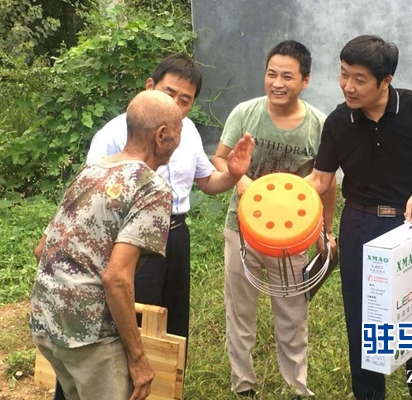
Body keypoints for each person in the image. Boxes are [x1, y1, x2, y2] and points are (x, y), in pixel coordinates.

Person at [305, 35, 412, 400]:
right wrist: (278, 193)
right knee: (362, 314)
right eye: (343, 74)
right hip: (360, 224)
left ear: (385, 81)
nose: (348, 86)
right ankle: (368, 394)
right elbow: (320, 180)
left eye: (359, 79)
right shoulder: (339, 121)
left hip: (411, 222)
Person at [86, 53, 250, 342]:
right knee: (136, 319)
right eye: (168, 93)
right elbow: (92, 194)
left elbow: (207, 181)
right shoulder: (113, 134)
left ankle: (169, 373)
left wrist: (234, 175)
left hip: (175, 234)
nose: (175, 105)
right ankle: (132, 366)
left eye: (184, 100)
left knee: (173, 320)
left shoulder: (190, 133)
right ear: (149, 86)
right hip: (130, 239)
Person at [31, 90, 181, 400]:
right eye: (179, 130)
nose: (180, 139)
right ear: (162, 135)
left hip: (45, 321)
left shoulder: (91, 171)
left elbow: (41, 250)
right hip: (91, 336)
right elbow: (116, 278)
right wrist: (138, 358)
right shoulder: (151, 187)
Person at [212, 40, 337, 399]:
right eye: (271, 74)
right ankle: (244, 386)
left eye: (287, 76)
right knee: (240, 311)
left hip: (293, 240)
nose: (277, 83)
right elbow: (220, 158)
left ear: (305, 81)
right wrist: (243, 183)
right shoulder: (245, 113)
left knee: (293, 314)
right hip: (242, 230)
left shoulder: (319, 126)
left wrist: (324, 231)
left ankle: (298, 387)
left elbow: (327, 183)